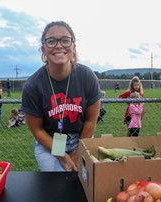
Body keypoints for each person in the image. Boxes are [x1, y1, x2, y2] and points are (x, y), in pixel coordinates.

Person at [21, 21, 101, 172]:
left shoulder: (87, 76)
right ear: (43, 49)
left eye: (65, 40)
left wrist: (78, 155)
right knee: (57, 185)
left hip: (81, 139)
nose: (58, 46)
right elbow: (37, 130)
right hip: (49, 143)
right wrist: (61, 155)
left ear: (73, 47)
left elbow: (90, 121)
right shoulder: (33, 85)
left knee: (83, 186)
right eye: (51, 41)